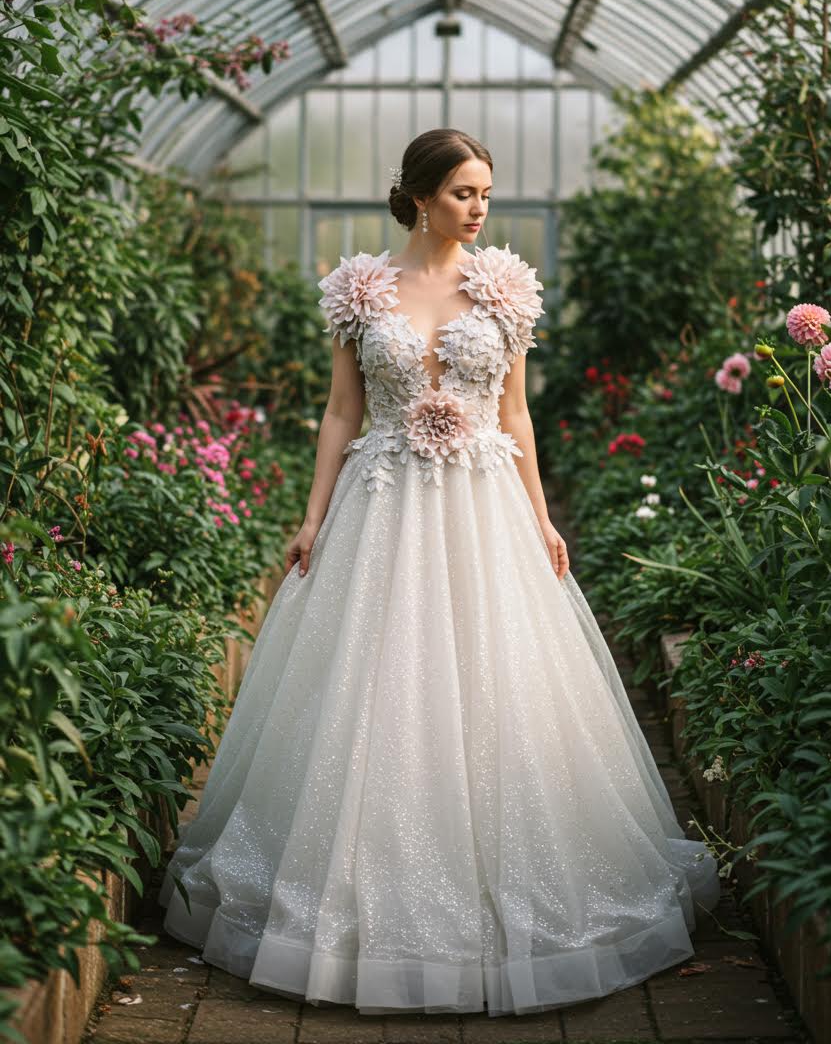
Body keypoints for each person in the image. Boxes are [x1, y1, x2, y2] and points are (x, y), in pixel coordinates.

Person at [158, 127, 720, 1017]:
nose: (479, 208)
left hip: (483, 506)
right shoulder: (359, 290)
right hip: (381, 506)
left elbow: (518, 415)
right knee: (374, 686)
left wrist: (542, 518)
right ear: (420, 196)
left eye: (485, 194)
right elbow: (341, 413)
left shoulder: (502, 288)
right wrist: (310, 518)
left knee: (496, 680)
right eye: (464, 192)